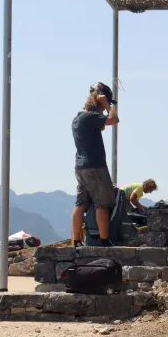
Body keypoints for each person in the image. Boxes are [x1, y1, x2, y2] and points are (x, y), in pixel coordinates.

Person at [71, 82, 119, 247]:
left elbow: (103, 125)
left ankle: (75, 241)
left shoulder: (78, 118)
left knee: (81, 203)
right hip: (95, 166)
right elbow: (114, 119)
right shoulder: (90, 117)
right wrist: (107, 104)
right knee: (102, 203)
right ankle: (104, 241)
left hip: (81, 167)